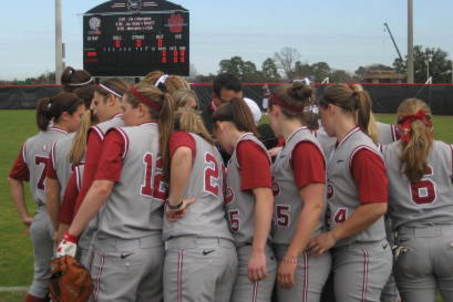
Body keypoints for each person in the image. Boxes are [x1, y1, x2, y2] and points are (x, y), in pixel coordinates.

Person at [57, 83, 174, 301]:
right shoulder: (171, 138)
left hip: (120, 244)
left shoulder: (121, 135)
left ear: (141, 110)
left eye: (125, 108)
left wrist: (71, 234)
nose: (122, 115)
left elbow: (101, 187)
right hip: (157, 245)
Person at [309, 83, 392, 302]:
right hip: (351, 249)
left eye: (321, 112)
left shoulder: (361, 150)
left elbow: (377, 206)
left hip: (363, 251)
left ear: (332, 109)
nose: (320, 120)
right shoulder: (341, 145)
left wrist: (333, 235)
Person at [8, 93, 85, 302]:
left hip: (40, 216)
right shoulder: (70, 143)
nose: (83, 118)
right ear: (65, 116)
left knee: (41, 278)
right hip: (63, 218)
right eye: (80, 114)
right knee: (67, 281)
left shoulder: (31, 142)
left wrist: (24, 214)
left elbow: (13, 178)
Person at [382, 98, 453, 302]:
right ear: (429, 121)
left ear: (398, 125)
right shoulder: (447, 151)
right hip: (449, 238)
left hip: (410, 243)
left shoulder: (385, 154)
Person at [163, 108, 237, 302]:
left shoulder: (183, 137)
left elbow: (184, 153)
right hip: (224, 247)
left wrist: (174, 202)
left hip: (193, 246)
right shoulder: (214, 149)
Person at [266, 82, 331, 301]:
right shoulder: (293, 144)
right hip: (291, 246)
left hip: (302, 252)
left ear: (275, 111)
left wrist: (292, 256)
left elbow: (314, 205)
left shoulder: (303, 146)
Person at [212, 99, 276, 301]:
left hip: (254, 247)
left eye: (216, 134)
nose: (218, 140)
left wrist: (258, 251)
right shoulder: (242, 148)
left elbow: (264, 197)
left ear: (221, 125)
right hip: (246, 248)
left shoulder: (246, 146)